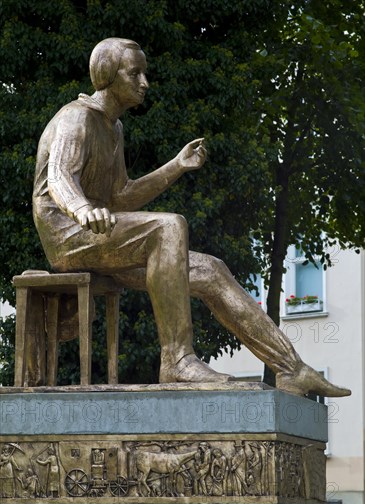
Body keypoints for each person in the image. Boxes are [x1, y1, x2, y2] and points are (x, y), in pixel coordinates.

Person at [33, 37, 350, 397]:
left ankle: (290, 368)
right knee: (169, 226)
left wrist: (176, 167)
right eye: (134, 73)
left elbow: (121, 197)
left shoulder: (113, 128)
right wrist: (83, 209)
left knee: (209, 269)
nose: (144, 83)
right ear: (107, 75)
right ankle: (178, 360)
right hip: (68, 235)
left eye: (144, 74)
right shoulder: (77, 118)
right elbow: (60, 177)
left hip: (102, 237)